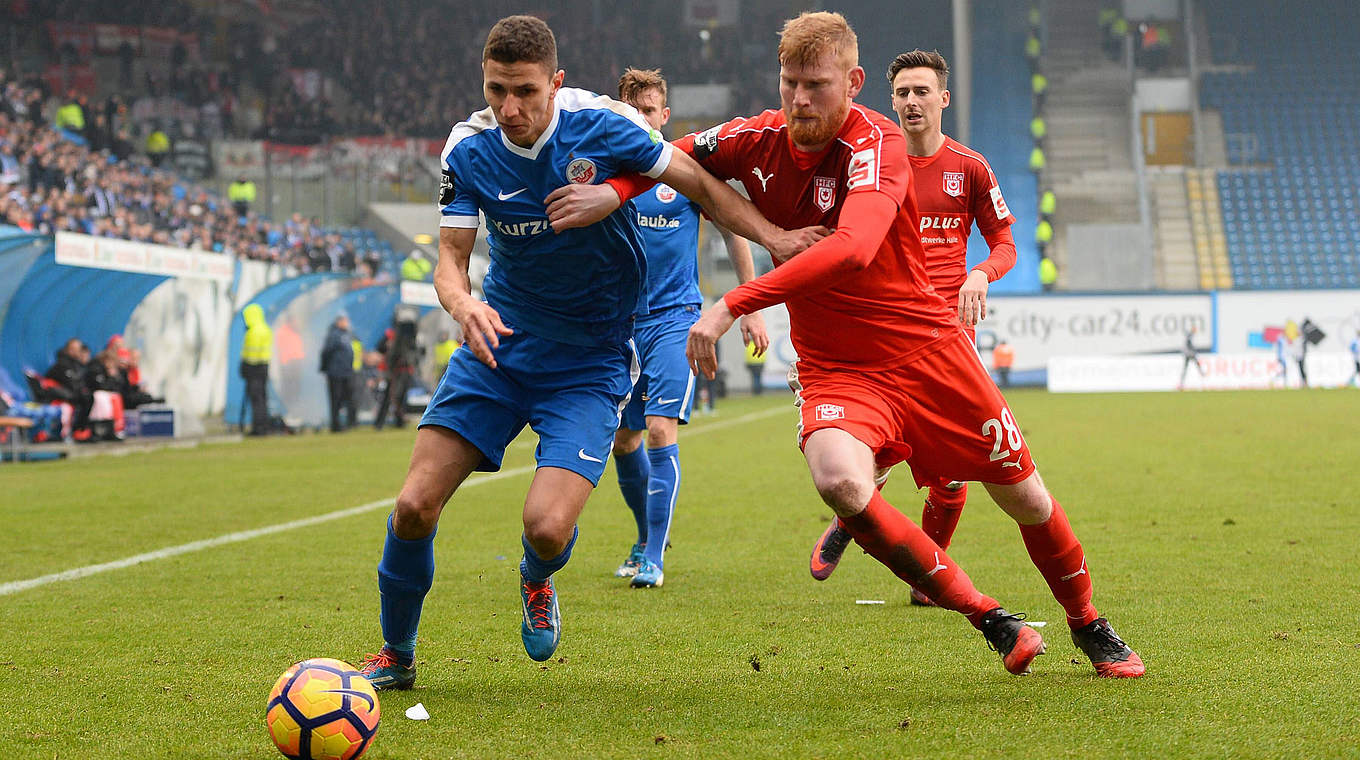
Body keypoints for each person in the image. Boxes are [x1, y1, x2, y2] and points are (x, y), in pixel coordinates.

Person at [553, 11, 1143, 678]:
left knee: (1026, 498)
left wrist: (733, 303)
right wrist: (613, 190)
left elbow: (853, 248)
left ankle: (1088, 623)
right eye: (789, 83)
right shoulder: (756, 137)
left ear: (853, 82)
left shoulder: (878, 145)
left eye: (816, 85)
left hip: (929, 352)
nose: (799, 100)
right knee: (839, 480)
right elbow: (666, 155)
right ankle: (991, 618)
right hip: (837, 369)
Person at [357, 15, 821, 690]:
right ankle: (396, 657)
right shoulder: (468, 146)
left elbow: (701, 186)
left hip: (592, 359)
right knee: (413, 507)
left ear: (557, 82)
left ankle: (536, 576)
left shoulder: (604, 126)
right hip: (500, 347)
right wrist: (463, 305)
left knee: (545, 528)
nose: (510, 108)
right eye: (496, 91)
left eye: (525, 91)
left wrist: (773, 237)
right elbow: (451, 261)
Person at [803, 49, 1019, 601]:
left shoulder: (970, 168)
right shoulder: (872, 164)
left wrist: (981, 274)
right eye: (901, 93)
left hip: (948, 332)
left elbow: (1004, 243)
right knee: (868, 451)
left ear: (943, 99)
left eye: (922, 91)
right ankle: (849, 522)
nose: (911, 102)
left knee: (949, 468)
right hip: (882, 327)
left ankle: (929, 577)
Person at [607, 67, 770, 589]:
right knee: (623, 439)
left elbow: (735, 230)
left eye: (651, 111)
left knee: (658, 429)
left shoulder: (683, 170)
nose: (643, 120)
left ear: (665, 115)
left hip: (675, 319)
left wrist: (748, 307)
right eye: (633, 112)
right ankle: (643, 539)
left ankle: (653, 555)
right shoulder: (607, 174)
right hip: (618, 324)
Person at [320, 313, 358, 432]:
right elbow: (326, 352)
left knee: (348, 398)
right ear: (338, 322)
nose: (347, 323)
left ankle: (350, 422)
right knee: (336, 399)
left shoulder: (346, 334)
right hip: (336, 372)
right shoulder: (334, 335)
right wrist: (325, 368)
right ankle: (335, 425)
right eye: (344, 321)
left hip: (346, 371)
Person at [240, 303, 272, 436]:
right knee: (263, 399)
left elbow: (250, 355)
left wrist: (244, 369)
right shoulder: (266, 329)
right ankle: (263, 425)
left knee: (256, 400)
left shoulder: (253, 332)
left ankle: (258, 428)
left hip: (253, 369)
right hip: (264, 367)